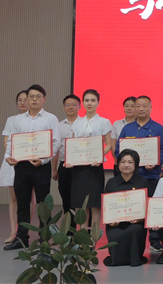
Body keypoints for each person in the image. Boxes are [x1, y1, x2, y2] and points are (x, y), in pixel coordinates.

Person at [3, 84, 61, 251]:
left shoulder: (50, 118)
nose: (34, 99)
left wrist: (43, 160)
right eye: (31, 97)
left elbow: (56, 142)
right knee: (23, 203)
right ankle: (22, 238)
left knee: (43, 204)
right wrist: (8, 156)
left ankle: (44, 238)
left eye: (38, 96)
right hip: (21, 166)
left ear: (44, 99)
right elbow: (12, 141)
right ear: (27, 99)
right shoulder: (18, 120)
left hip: (41, 166)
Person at [115, 95, 163, 251]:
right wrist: (126, 164)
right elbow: (118, 150)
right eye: (137, 106)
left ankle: (154, 240)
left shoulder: (158, 128)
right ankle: (131, 240)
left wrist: (157, 162)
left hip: (151, 176)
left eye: (144, 106)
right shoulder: (127, 128)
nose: (140, 109)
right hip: (131, 178)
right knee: (133, 208)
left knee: (152, 208)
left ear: (150, 108)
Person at [66, 89, 112, 228]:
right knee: (81, 205)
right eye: (87, 100)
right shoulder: (77, 122)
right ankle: (82, 235)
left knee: (95, 204)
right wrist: (70, 160)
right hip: (78, 168)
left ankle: (94, 236)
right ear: (83, 103)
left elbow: (109, 144)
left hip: (95, 167)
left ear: (98, 102)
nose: (89, 103)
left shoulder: (104, 122)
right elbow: (73, 144)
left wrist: (99, 156)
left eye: (93, 100)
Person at [103, 149, 149, 267]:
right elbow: (106, 205)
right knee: (114, 233)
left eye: (130, 162)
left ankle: (135, 258)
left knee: (135, 230)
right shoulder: (111, 182)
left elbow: (148, 205)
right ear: (118, 164)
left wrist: (140, 218)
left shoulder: (143, 182)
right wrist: (110, 220)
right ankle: (116, 259)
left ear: (136, 164)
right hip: (116, 222)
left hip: (136, 222)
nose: (126, 165)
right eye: (123, 162)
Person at [0, 90, 28, 245]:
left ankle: (25, 231)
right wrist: (12, 156)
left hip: (29, 162)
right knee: (14, 197)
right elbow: (6, 141)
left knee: (28, 199)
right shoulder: (11, 120)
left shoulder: (35, 120)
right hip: (13, 161)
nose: (22, 102)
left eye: (25, 99)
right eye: (19, 100)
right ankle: (13, 232)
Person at [54, 94, 80, 214]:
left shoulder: (85, 124)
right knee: (65, 196)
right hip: (64, 165)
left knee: (81, 197)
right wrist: (54, 169)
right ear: (63, 107)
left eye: (74, 105)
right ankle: (70, 224)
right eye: (68, 105)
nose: (70, 107)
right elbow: (56, 149)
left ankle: (85, 225)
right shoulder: (58, 126)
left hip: (80, 166)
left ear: (79, 107)